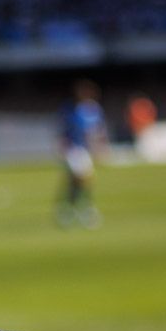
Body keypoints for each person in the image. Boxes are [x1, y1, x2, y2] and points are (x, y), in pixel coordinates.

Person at [56, 80, 107, 229]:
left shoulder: (93, 110)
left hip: (85, 150)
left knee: (79, 182)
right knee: (82, 180)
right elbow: (64, 131)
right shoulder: (69, 109)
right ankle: (81, 210)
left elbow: (97, 130)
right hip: (73, 149)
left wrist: (100, 147)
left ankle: (72, 209)